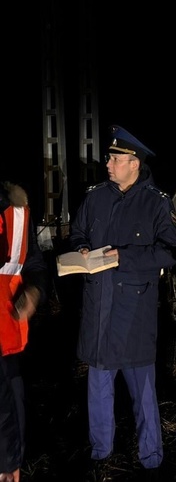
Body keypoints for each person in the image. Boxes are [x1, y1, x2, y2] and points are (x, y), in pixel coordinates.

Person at [69, 126, 176, 482]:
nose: (108, 163)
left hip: (133, 311)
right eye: (109, 157)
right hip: (99, 305)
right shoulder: (95, 197)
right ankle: (101, 452)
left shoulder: (155, 202)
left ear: (134, 163)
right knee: (98, 384)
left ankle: (151, 456)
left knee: (142, 389)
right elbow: (78, 233)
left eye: (115, 159)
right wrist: (83, 248)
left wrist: (124, 257)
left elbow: (169, 251)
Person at [0, 181, 49, 482]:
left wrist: (33, 291)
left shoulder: (15, 210)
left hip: (6, 329)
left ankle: (9, 465)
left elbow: (33, 264)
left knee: (10, 398)